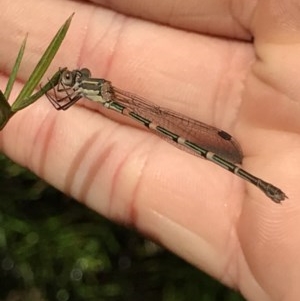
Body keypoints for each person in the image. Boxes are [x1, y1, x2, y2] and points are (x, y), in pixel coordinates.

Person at [1, 1, 299, 300]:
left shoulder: (81, 90)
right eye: (70, 79)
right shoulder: (86, 86)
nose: (71, 79)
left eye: (72, 78)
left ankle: (262, 185)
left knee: (199, 147)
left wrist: (49, 88)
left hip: (179, 129)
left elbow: (58, 102)